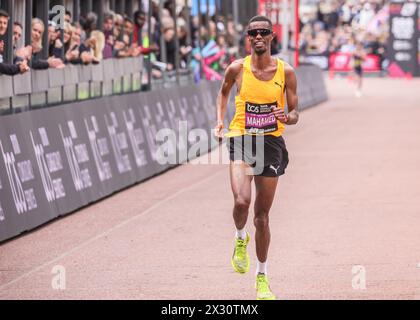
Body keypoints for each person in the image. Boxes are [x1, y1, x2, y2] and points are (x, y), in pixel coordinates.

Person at [214, 15, 299, 300]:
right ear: (248, 38)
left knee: (261, 218)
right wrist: (219, 122)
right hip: (241, 138)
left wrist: (287, 116)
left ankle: (261, 276)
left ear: (272, 37)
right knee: (241, 202)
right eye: (253, 33)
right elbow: (223, 92)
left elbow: (295, 111)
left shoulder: (285, 72)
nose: (258, 37)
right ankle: (240, 239)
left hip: (271, 143)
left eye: (263, 32)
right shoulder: (237, 68)